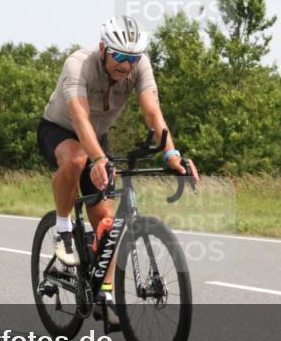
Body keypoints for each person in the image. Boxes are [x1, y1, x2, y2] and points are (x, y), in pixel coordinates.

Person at [37, 15, 199, 286]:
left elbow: (152, 111)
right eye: (120, 57)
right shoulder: (78, 65)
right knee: (78, 158)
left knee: (107, 223)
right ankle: (63, 230)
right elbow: (80, 117)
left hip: (97, 138)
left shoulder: (139, 66)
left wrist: (171, 154)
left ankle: (106, 290)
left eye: (133, 59)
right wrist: (98, 158)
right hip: (59, 130)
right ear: (103, 50)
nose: (126, 65)